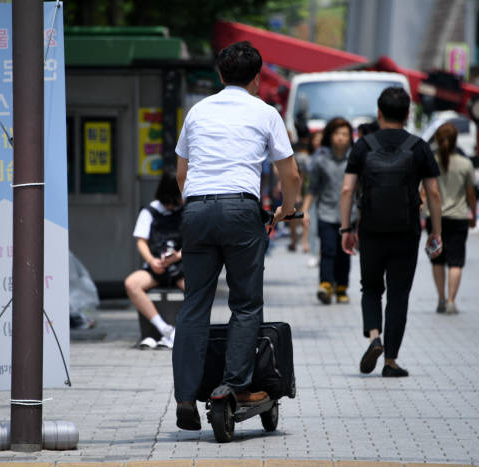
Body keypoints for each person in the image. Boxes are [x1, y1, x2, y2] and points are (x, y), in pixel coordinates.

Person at [172, 41, 300, 430]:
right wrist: (287, 209)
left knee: (194, 303)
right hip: (242, 210)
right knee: (245, 303)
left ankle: (184, 396)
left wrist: (198, 208)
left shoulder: (197, 111)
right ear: (258, 79)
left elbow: (182, 172)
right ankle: (232, 386)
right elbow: (290, 174)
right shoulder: (265, 112)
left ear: (220, 75)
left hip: (196, 209)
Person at [340, 87, 442, 378]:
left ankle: (374, 336)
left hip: (371, 229)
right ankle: (391, 361)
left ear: (379, 112)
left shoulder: (363, 146)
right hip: (406, 231)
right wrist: (436, 231)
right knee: (398, 294)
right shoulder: (419, 146)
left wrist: (346, 228)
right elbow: (433, 193)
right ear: (408, 114)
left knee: (370, 288)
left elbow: (347, 189)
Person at [124, 171, 184, 349]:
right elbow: (141, 241)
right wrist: (152, 261)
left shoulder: (187, 210)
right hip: (156, 267)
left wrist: (177, 257)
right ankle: (164, 329)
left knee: (198, 289)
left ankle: (182, 331)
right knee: (131, 284)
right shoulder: (150, 211)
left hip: (181, 266)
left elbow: (194, 241)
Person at [302, 117, 358, 304]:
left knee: (345, 253)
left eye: (345, 134)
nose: (341, 138)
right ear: (330, 136)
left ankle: (342, 288)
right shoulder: (321, 161)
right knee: (328, 250)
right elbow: (313, 189)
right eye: (337, 133)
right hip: (326, 213)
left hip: (350, 215)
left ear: (350, 137)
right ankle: (325, 285)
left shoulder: (356, 160)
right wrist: (305, 210)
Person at [424, 123, 477, 315]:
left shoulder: (430, 162)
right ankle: (452, 301)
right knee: (456, 261)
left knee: (437, 260)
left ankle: (440, 298)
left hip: (434, 218)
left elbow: (425, 191)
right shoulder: (465, 164)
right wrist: (474, 215)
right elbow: (471, 194)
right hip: (458, 217)